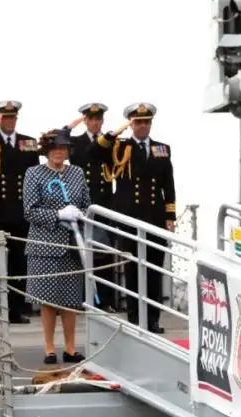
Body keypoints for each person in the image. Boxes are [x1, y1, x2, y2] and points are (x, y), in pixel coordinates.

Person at [92, 102, 176, 333]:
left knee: (154, 268)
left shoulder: (161, 149)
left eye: (147, 122)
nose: (143, 126)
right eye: (138, 122)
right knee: (132, 268)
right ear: (131, 124)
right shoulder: (120, 146)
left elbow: (168, 184)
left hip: (154, 216)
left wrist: (170, 214)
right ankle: (134, 316)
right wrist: (116, 131)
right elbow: (95, 152)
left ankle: (153, 319)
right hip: (129, 216)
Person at [23, 128, 90, 365]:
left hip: (71, 244)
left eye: (62, 148)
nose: (58, 152)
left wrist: (78, 214)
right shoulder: (34, 173)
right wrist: (57, 213)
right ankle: (50, 348)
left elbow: (86, 204)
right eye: (54, 148)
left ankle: (71, 348)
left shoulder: (76, 173)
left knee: (71, 300)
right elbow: (29, 210)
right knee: (49, 301)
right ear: (46, 150)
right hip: (44, 245)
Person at [0, 100, 41, 324]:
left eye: (12, 117)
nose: (9, 121)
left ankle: (16, 308)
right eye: (4, 117)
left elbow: (34, 176)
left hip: (20, 211)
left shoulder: (28, 143)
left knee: (19, 261)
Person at [66, 102, 117, 312]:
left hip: (104, 203)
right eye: (91, 119)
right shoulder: (75, 142)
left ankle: (105, 300)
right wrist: (72, 124)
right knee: (81, 253)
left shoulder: (112, 142)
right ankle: (83, 299)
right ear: (85, 120)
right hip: (82, 203)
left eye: (98, 119)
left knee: (105, 253)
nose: (95, 123)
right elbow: (60, 136)